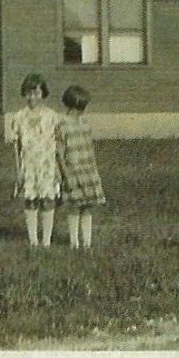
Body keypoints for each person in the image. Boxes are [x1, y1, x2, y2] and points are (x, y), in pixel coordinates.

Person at [4, 72, 62, 247]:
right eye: (29, 93)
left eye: (36, 93)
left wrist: (59, 168)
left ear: (43, 93)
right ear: (24, 94)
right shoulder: (19, 117)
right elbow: (17, 146)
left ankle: (46, 240)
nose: (32, 97)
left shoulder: (52, 116)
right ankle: (33, 240)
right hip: (28, 165)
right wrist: (18, 171)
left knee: (47, 200)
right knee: (30, 200)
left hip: (47, 164)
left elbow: (59, 143)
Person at [56, 85, 105, 249]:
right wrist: (64, 173)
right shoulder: (62, 125)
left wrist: (94, 170)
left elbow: (89, 149)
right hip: (73, 170)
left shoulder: (85, 124)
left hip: (87, 169)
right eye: (80, 106)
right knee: (75, 207)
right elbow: (59, 152)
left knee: (87, 207)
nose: (81, 111)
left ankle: (87, 242)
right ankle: (74, 242)